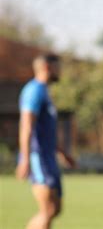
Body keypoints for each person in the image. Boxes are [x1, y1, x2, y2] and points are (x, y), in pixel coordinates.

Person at [15, 53, 75, 229]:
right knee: (48, 209)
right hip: (37, 157)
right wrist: (25, 159)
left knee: (55, 208)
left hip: (48, 157)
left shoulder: (44, 92)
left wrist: (62, 152)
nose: (61, 72)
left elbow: (46, 131)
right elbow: (26, 126)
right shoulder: (34, 91)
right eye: (58, 67)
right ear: (48, 68)